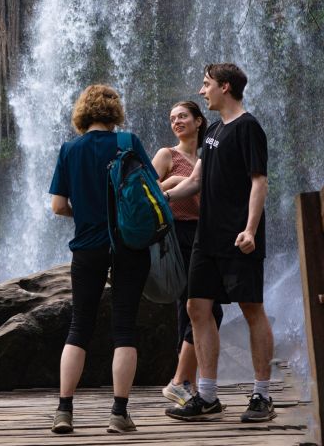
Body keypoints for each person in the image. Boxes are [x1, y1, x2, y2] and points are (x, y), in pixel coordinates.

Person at [163, 64, 277, 423]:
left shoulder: (248, 128)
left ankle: (261, 395)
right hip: (205, 238)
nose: (202, 91)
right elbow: (194, 181)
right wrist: (159, 199)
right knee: (197, 308)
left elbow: (259, 182)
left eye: (207, 84)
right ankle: (207, 395)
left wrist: (250, 230)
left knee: (251, 308)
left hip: (238, 236)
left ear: (225, 87)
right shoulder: (212, 131)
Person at [48, 84, 156, 435]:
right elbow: (147, 192)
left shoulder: (69, 149)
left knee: (79, 325)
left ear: (83, 112)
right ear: (114, 111)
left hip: (87, 246)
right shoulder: (128, 143)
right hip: (127, 245)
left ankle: (64, 411)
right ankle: (118, 413)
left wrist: (88, 216)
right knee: (124, 327)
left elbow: (58, 205)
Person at [151, 101, 224, 407]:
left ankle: (187, 382)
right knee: (193, 308)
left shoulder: (208, 154)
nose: (176, 121)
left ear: (198, 121)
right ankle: (181, 380)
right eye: (172, 118)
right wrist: (181, 182)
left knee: (209, 309)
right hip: (178, 235)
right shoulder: (167, 154)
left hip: (205, 234)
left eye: (182, 116)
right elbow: (149, 190)